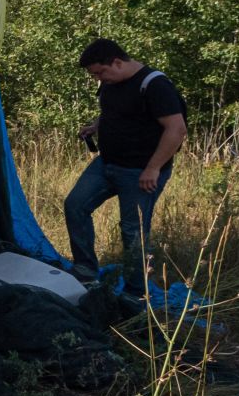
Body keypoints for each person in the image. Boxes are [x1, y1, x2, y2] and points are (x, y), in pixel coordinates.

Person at [65, 38, 187, 292]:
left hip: (140, 172)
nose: (98, 78)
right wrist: (96, 126)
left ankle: (136, 293)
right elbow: (116, 109)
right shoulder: (112, 82)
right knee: (75, 205)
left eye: (100, 72)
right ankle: (85, 270)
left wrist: (153, 168)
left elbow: (176, 130)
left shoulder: (155, 85)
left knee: (133, 231)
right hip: (107, 163)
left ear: (117, 62)